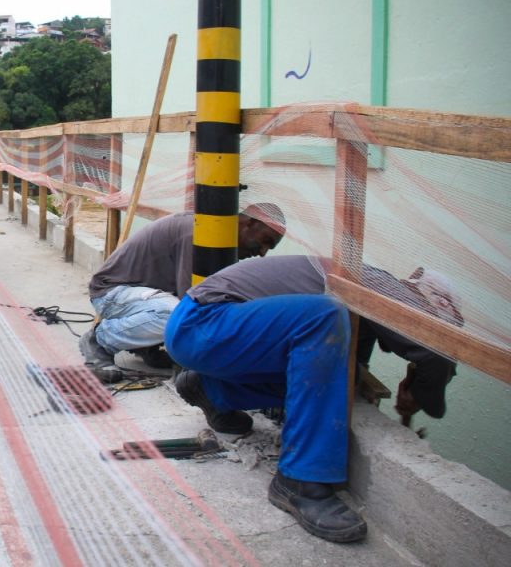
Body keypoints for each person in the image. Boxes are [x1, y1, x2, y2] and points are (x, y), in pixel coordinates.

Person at [163, 255, 462, 543]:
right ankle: (300, 480)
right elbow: (436, 353)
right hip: (203, 324)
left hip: (202, 330)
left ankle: (212, 391)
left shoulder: (364, 296)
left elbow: (330, 374)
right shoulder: (383, 288)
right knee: (326, 316)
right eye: (433, 321)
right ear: (430, 303)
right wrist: (423, 394)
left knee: (347, 378)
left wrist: (413, 385)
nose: (422, 323)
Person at [79, 203, 287, 383]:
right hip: (111, 293)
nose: (262, 253)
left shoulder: (218, 239)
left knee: (186, 315)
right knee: (178, 314)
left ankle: (146, 348)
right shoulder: (199, 233)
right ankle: (99, 342)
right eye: (265, 240)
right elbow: (192, 301)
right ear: (249, 223)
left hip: (140, 295)